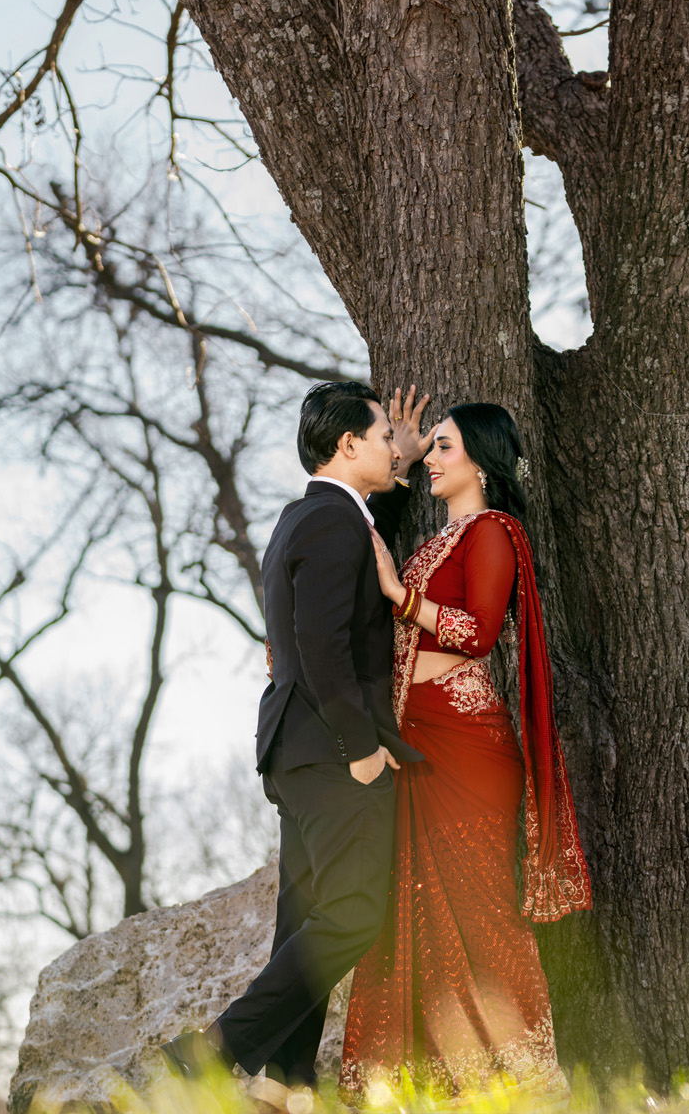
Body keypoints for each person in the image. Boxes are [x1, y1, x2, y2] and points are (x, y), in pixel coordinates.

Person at [161, 381, 432, 1103]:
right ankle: (213, 1050)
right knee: (353, 913)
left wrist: (398, 475)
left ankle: (286, 1082)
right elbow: (320, 642)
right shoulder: (329, 524)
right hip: (332, 750)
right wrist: (362, 748)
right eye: (382, 438)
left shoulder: (312, 519)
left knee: (304, 921)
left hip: (296, 750)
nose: (392, 448)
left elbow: (359, 544)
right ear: (347, 444)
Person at [341, 402, 592, 1099]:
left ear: (480, 460)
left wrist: (399, 595)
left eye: (443, 447)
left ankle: (534, 1079)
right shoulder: (432, 542)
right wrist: (397, 458)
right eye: (430, 450)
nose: (431, 460)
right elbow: (382, 540)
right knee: (409, 914)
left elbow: (476, 631)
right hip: (416, 745)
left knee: (481, 910)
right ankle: (438, 1084)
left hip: (467, 751)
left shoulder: (493, 532)